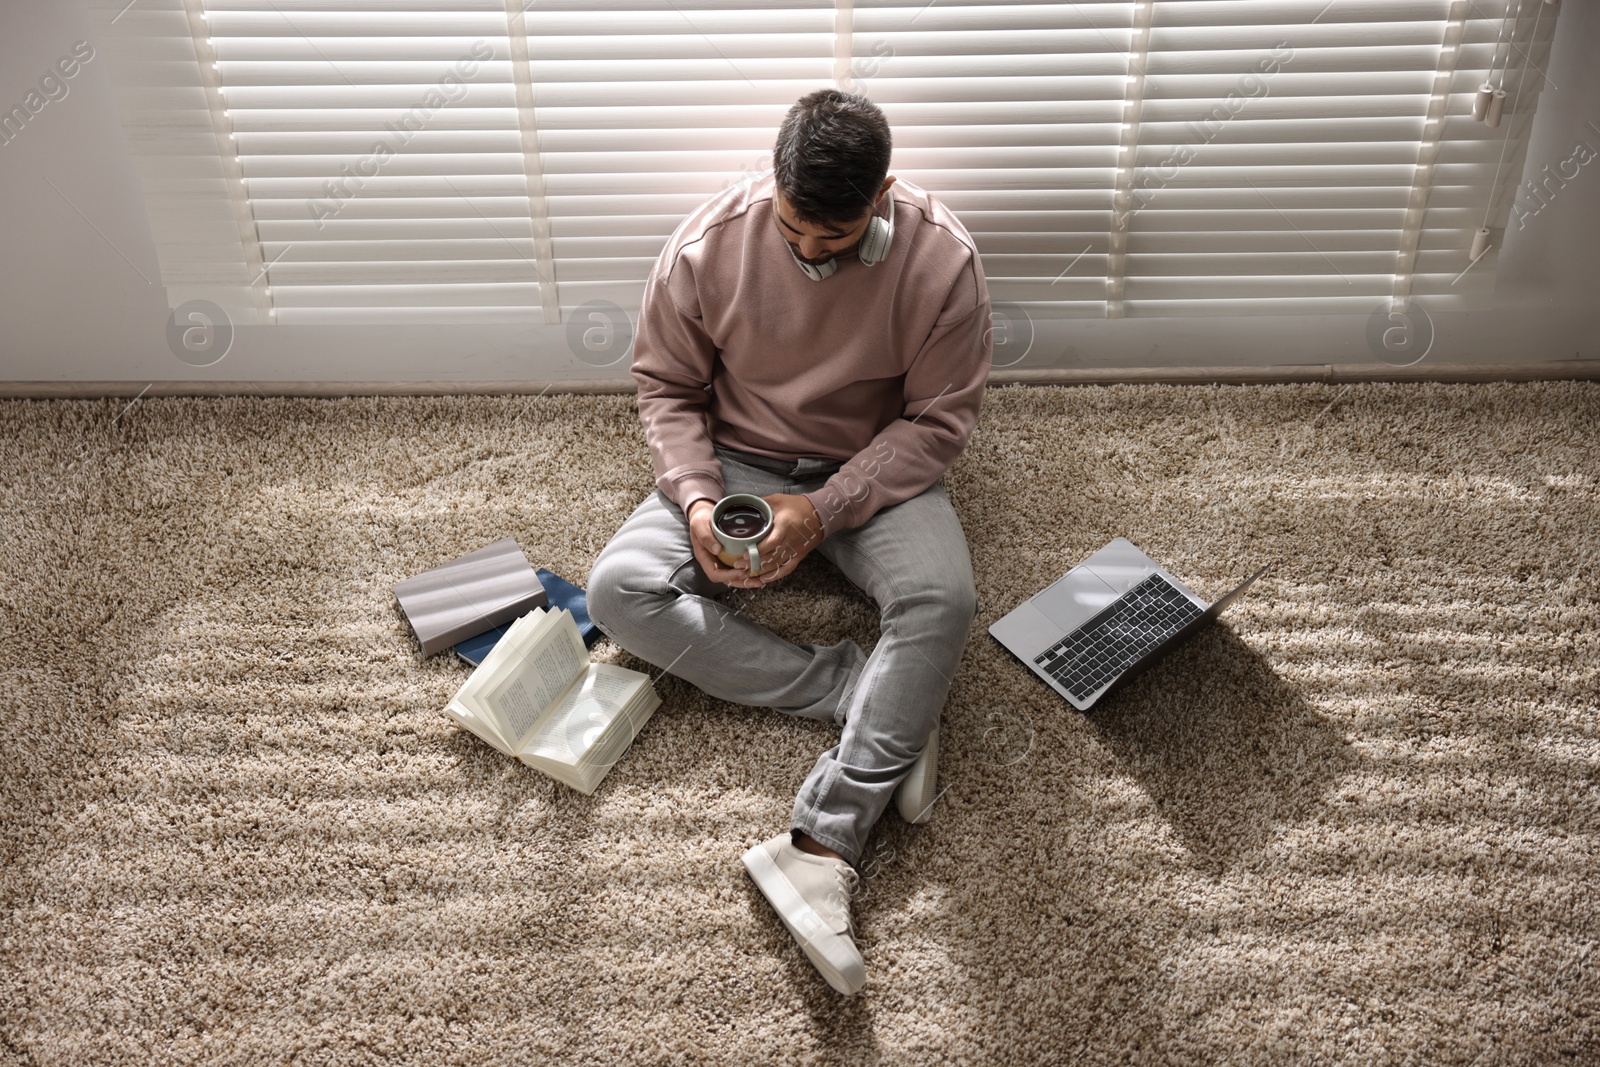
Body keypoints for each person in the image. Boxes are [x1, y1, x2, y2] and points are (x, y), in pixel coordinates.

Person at [586, 88, 990, 995]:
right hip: (739, 462)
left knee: (944, 600)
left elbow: (936, 422)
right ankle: (867, 696)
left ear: (881, 196)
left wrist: (833, 504)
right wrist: (695, 501)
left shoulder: (943, 263)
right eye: (793, 228)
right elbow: (666, 390)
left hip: (875, 465)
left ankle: (819, 846)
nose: (810, 254)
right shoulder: (706, 247)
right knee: (618, 592)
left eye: (834, 239)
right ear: (773, 182)